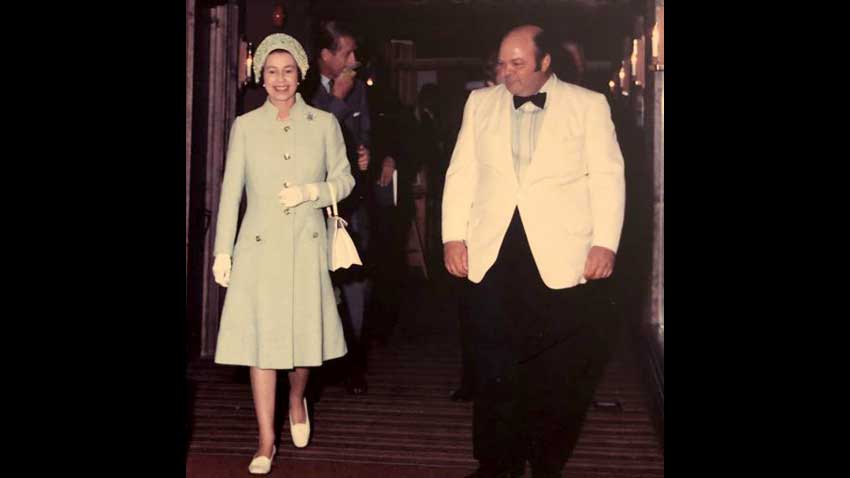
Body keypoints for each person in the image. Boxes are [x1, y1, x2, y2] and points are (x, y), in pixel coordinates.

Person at [441, 25, 626, 478]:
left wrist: (606, 242)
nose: (506, 73)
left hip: (560, 255)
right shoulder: (479, 104)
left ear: (545, 63)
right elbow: (460, 173)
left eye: (517, 64)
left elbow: (608, 177)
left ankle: (546, 462)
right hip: (493, 252)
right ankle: (494, 464)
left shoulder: (588, 106)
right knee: (492, 366)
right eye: (502, 63)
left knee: (556, 372)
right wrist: (452, 236)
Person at [211, 33, 354, 475]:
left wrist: (315, 191)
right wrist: (222, 252)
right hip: (258, 248)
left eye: (287, 71)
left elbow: (346, 181)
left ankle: (296, 399)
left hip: (306, 245)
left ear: (301, 74)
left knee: (303, 347)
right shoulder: (246, 126)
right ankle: (265, 440)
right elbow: (231, 189)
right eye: (271, 72)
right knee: (261, 346)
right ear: (260, 77)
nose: (279, 80)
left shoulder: (325, 124)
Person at [302, 19, 378, 395]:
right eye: (346, 52)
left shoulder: (359, 92)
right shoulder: (303, 87)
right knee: (317, 289)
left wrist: (365, 154)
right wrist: (337, 100)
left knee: (356, 288)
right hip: (313, 208)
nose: (354, 59)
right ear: (325, 56)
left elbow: (363, 136)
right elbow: (309, 140)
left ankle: (354, 365)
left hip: (351, 207)